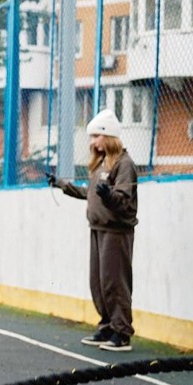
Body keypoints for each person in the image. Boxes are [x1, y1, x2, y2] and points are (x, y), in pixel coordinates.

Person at [47, 109, 139, 352]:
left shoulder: (124, 164)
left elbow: (123, 199)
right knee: (98, 281)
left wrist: (109, 196)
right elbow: (89, 195)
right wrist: (62, 185)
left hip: (116, 231)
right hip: (97, 228)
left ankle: (122, 331)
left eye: (96, 136)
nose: (92, 141)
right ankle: (107, 324)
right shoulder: (100, 165)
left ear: (108, 136)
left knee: (114, 281)